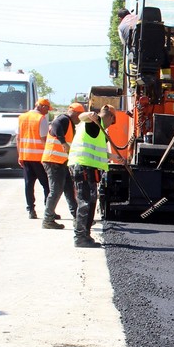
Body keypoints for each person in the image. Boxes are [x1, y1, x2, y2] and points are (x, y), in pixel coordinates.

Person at [68, 105, 124, 248]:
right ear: (110, 116)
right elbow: (82, 117)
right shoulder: (94, 121)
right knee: (85, 202)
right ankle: (80, 236)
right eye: (113, 121)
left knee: (91, 201)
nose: (112, 124)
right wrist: (89, 114)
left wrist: (115, 157)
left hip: (89, 167)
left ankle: (85, 234)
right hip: (83, 166)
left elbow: (99, 152)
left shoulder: (100, 130)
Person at [40, 102, 84, 229]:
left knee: (69, 189)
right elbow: (56, 125)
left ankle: (78, 217)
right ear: (75, 113)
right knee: (56, 191)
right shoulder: (63, 119)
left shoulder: (70, 124)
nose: (79, 120)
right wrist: (63, 142)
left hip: (61, 162)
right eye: (79, 116)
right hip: (53, 161)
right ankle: (48, 220)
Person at [17, 98, 52, 219]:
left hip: (26, 157)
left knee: (28, 184)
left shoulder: (22, 117)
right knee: (47, 184)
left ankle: (31, 210)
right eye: (47, 108)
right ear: (42, 106)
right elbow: (44, 140)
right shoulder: (41, 119)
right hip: (39, 158)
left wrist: (20, 155)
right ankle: (49, 211)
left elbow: (18, 138)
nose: (47, 112)